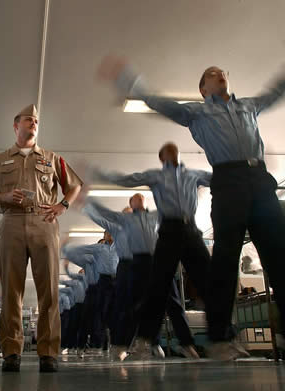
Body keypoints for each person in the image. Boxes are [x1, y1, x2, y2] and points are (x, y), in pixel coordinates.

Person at [98, 34, 285, 362]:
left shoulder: (248, 105)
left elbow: (278, 91)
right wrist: (126, 78)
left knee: (280, 256)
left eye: (222, 72)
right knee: (224, 261)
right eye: (210, 74)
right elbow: (156, 101)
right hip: (228, 180)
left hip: (260, 182)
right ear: (202, 90)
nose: (218, 74)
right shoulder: (196, 114)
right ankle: (219, 339)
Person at [0, 104, 82, 372]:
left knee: (49, 290)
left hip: (44, 222)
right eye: (28, 120)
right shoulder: (0, 160)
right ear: (16, 126)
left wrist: (62, 206)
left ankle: (48, 352)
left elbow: (74, 185)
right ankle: (11, 351)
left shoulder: (51, 157)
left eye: (35, 120)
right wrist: (3, 196)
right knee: (11, 291)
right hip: (11, 221)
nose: (33, 123)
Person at [92, 142, 215, 359]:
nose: (139, 199)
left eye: (141, 198)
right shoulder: (125, 220)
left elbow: (178, 209)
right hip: (135, 264)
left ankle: (183, 343)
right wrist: (91, 197)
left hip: (156, 256)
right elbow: (122, 189)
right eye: (134, 199)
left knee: (172, 301)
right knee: (136, 303)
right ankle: (125, 343)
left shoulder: (154, 215)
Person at [80, 194, 162, 361]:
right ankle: (122, 344)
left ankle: (153, 342)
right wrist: (85, 206)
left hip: (144, 265)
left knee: (148, 304)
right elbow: (100, 219)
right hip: (125, 268)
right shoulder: (117, 229)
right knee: (124, 306)